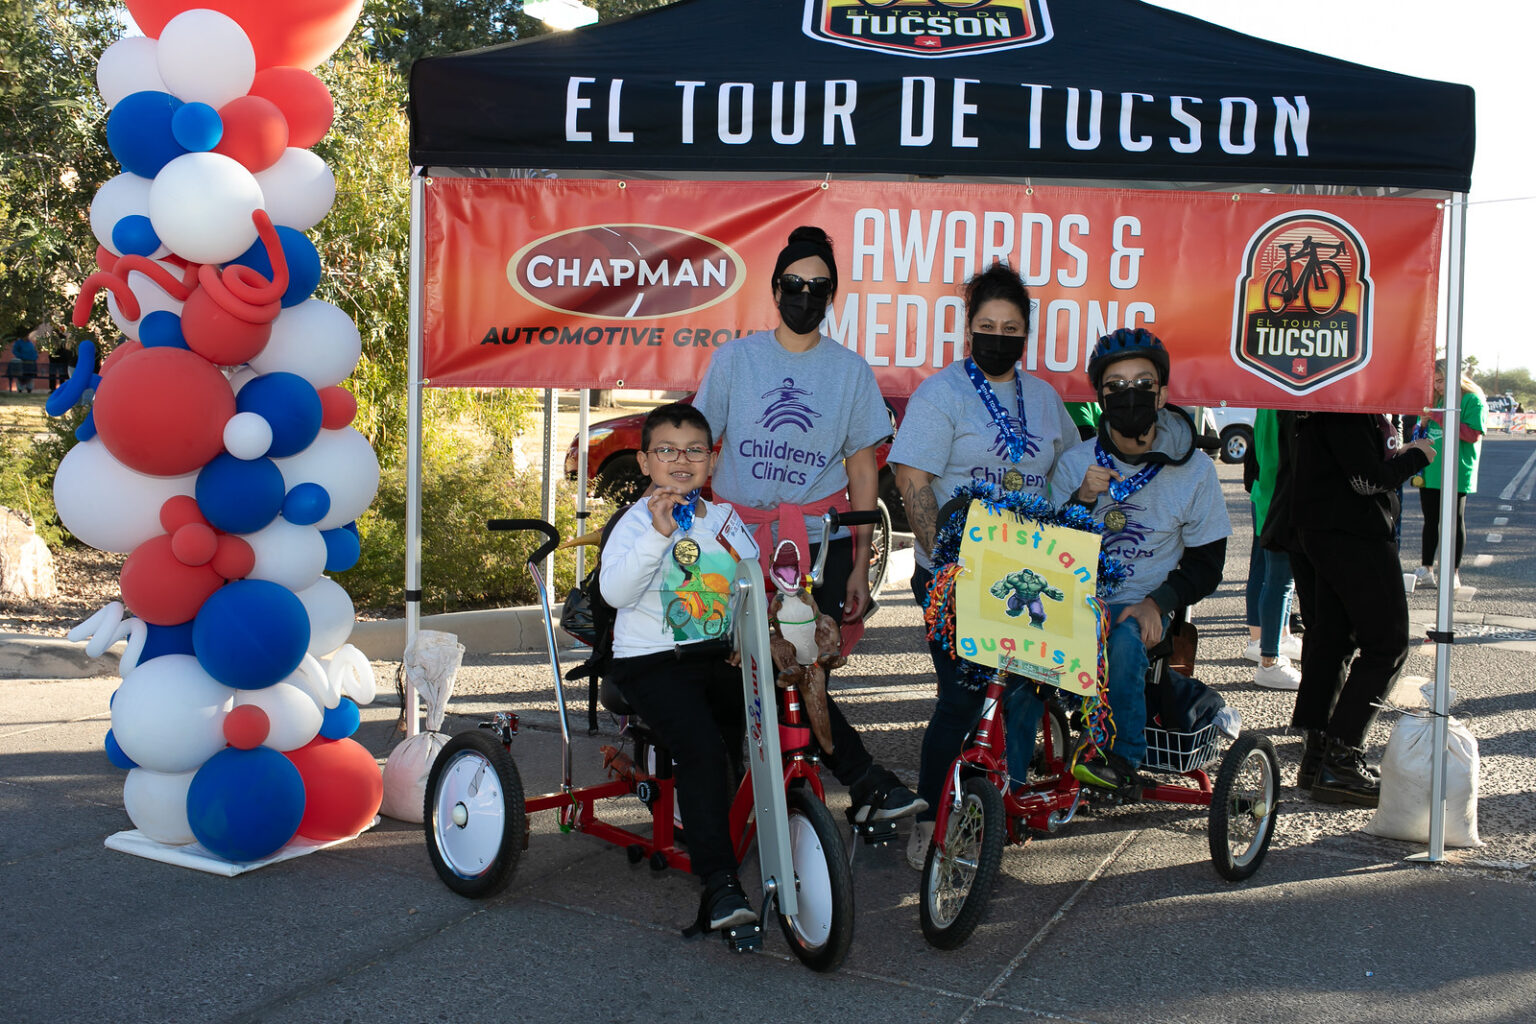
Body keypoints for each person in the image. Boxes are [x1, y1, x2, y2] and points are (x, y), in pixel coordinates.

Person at [695, 225, 925, 827]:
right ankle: (856, 780)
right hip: (739, 544)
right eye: (795, 284)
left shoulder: (849, 371)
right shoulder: (735, 359)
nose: (805, 295)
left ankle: (825, 785)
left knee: (803, 662)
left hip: (817, 544)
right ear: (775, 289)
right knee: (761, 662)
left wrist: (861, 557)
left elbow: (862, 466)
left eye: (818, 287)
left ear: (832, 296)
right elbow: (697, 444)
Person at [888, 261, 1079, 868]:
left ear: (1027, 334)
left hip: (1026, 575)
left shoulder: (1046, 401)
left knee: (1023, 694)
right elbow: (911, 474)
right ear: (968, 329)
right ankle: (930, 819)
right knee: (964, 698)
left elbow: (1069, 472)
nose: (999, 335)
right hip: (958, 574)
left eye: (1011, 327)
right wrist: (942, 562)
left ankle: (1003, 803)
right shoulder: (942, 393)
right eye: (987, 325)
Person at [1044, 328, 1231, 791]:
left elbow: (1208, 565)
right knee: (1019, 649)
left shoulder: (1196, 471)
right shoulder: (1074, 463)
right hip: (1074, 603)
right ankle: (1007, 772)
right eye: (1116, 387)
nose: (1130, 396)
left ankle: (1121, 760)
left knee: (1125, 637)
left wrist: (1158, 602)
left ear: (1163, 394)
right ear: (1101, 397)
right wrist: (1082, 499)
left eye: (1143, 384)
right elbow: (1045, 549)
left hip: (1142, 609)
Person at [600, 402, 757, 932]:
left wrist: (748, 629)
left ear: (712, 461)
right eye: (666, 450)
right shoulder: (634, 522)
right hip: (648, 663)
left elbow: (752, 583)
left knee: (794, 698)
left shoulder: (726, 519)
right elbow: (615, 592)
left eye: (694, 450)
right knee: (702, 750)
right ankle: (719, 884)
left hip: (713, 655)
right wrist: (658, 533)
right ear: (645, 462)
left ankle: (870, 786)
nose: (681, 460)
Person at [1288, 412, 1435, 806]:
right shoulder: (1348, 403)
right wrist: (1417, 456)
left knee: (1333, 639)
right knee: (1387, 644)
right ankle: (1341, 758)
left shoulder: (1337, 402)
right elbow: (1366, 480)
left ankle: (1319, 757)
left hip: (1325, 529)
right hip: (1350, 532)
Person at [1413, 360, 1485, 591]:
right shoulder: (1433, 400)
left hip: (1457, 469)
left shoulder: (1471, 399)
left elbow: (1472, 434)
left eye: (1442, 381)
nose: (1438, 386)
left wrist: (1439, 417)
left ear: (1455, 377)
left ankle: (1453, 572)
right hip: (1431, 469)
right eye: (1434, 382)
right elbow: (1419, 432)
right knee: (1430, 520)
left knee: (1454, 521)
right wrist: (1422, 423)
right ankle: (1426, 569)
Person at [1243, 409, 1303, 689]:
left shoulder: (1269, 402)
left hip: (1268, 494)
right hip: (1279, 497)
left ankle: (1274, 640)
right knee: (1276, 578)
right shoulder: (1282, 405)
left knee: (1274, 576)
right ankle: (1267, 656)